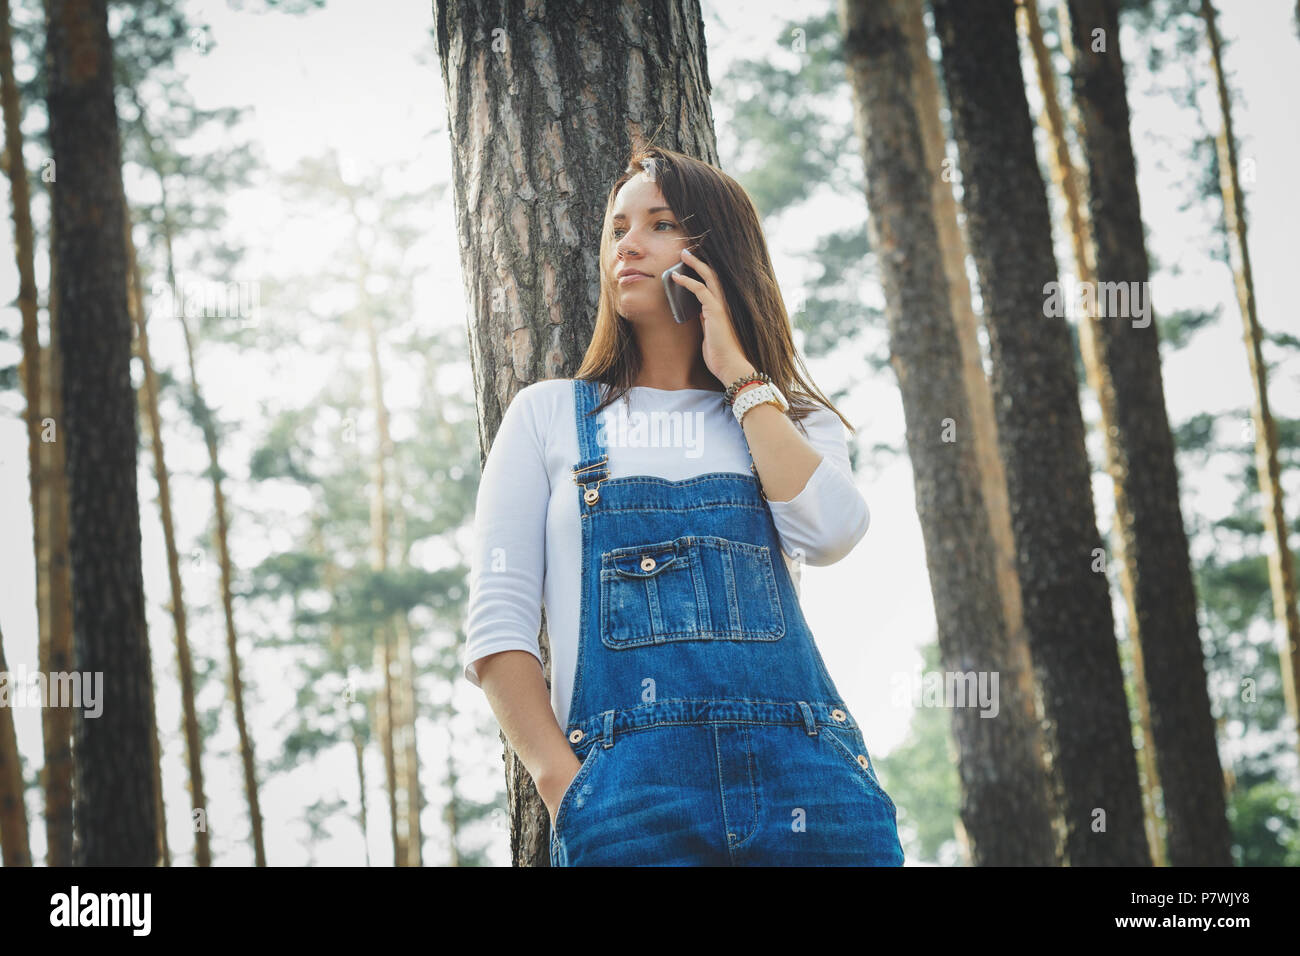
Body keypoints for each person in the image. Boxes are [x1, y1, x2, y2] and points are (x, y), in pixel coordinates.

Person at [463, 144, 904, 866]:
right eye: (617, 228)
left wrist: (739, 375)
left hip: (813, 795)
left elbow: (830, 534)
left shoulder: (787, 419)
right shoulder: (550, 417)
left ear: (716, 254)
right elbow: (497, 627)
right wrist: (567, 791)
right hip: (630, 806)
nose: (626, 245)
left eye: (659, 224)